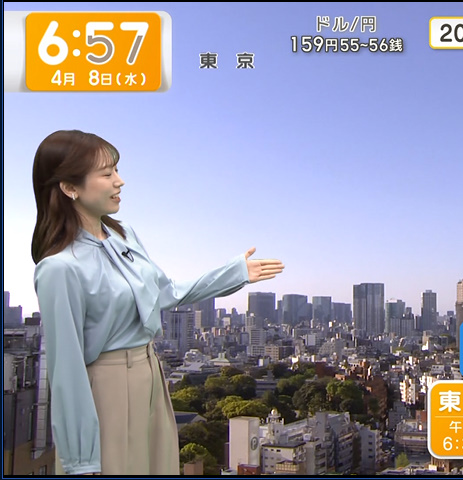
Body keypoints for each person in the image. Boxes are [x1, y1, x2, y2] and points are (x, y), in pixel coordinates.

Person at [31, 130, 284, 475]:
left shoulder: (124, 236)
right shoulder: (59, 268)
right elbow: (67, 370)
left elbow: (165, 292)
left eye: (116, 170)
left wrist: (235, 272)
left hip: (151, 375)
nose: (119, 181)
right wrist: (79, 461)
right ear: (69, 187)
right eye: (106, 173)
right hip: (106, 386)